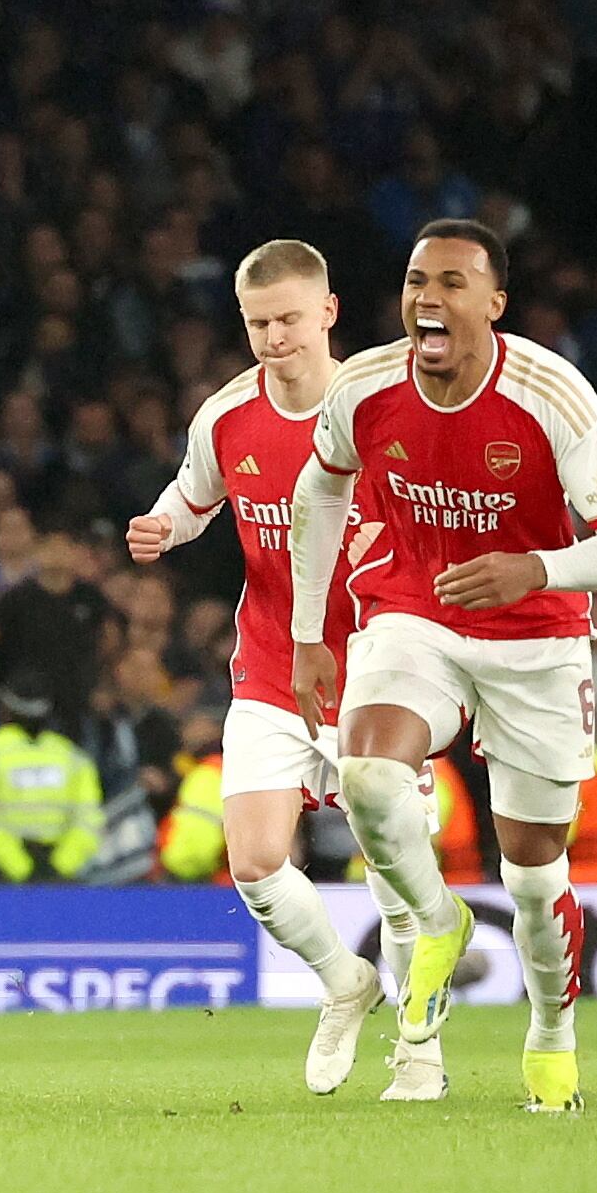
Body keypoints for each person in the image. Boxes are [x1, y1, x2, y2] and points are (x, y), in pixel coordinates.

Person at [284, 220, 597, 1111]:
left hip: (536, 638)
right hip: (414, 613)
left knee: (532, 875)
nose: (427, 300)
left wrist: (537, 567)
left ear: (495, 304)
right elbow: (321, 487)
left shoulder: (551, 393)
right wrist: (306, 632)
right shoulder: (364, 387)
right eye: (416, 282)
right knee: (367, 772)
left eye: (452, 283)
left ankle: (551, 1033)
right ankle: (437, 920)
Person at [124, 239, 391, 1089]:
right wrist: (164, 525)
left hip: (382, 667)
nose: (274, 339)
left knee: (396, 857)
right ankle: (344, 982)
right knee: (255, 859)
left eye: (288, 320)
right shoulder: (226, 415)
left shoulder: (380, 407)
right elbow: (196, 495)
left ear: (328, 314)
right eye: (257, 324)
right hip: (274, 662)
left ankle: (420, 1048)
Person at [0, 684, 103, 880]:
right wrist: (60, 867)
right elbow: (89, 821)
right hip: (61, 878)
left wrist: (22, 869)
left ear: (5, 711)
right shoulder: (73, 757)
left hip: (4, 877)